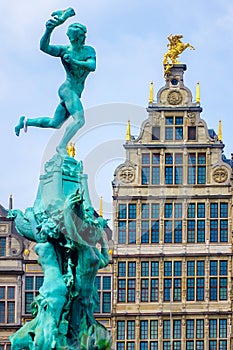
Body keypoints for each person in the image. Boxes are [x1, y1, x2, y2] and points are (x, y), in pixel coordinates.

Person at [15, 8, 96, 155]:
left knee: (55, 123)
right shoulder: (64, 50)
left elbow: (92, 66)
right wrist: (49, 30)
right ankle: (61, 147)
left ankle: (26, 121)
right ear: (77, 38)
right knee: (79, 120)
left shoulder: (88, 51)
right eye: (80, 36)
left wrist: (74, 61)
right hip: (67, 89)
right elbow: (44, 47)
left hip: (75, 92)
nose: (82, 38)